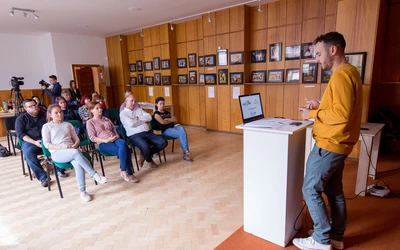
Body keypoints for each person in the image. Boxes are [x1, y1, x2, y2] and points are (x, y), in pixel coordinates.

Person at [292, 32, 363, 250]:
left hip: (329, 144)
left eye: (319, 54)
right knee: (334, 192)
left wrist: (311, 115)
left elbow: (341, 115)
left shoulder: (340, 75)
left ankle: (322, 240)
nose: (317, 59)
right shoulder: (351, 72)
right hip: (341, 144)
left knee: (310, 189)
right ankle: (335, 236)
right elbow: (341, 106)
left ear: (333, 50)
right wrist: (319, 104)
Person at [41, 104, 107, 202]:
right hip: (57, 152)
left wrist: (75, 144)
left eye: (60, 112)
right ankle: (94, 174)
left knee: (78, 163)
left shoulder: (68, 124)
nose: (59, 114)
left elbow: (76, 139)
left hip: (71, 150)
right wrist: (63, 147)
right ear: (50, 115)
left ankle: (83, 192)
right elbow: (47, 144)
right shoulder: (47, 126)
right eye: (56, 113)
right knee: (76, 153)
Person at [15, 99, 68, 188]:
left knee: (57, 146)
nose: (34, 107)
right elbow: (21, 135)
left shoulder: (44, 116)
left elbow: (53, 127)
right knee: (28, 153)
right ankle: (43, 177)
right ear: (25, 108)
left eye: (35, 105)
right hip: (31, 141)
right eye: (30, 106)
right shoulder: (21, 119)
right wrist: (35, 142)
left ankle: (59, 168)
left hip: (46, 140)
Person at [86, 101, 139, 183]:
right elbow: (92, 137)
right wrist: (106, 140)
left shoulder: (106, 119)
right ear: (91, 110)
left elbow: (114, 130)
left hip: (114, 139)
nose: (100, 109)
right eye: (97, 108)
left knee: (123, 144)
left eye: (100, 108)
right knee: (126, 150)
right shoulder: (90, 122)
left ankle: (123, 171)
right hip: (104, 143)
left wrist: (116, 135)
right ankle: (129, 173)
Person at [120, 94, 167, 169]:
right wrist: (142, 119)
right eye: (131, 101)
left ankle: (144, 154)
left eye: (135, 101)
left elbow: (149, 117)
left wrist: (137, 118)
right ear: (126, 101)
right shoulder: (123, 113)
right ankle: (149, 160)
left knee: (163, 142)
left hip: (147, 132)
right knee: (145, 147)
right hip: (135, 135)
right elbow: (131, 124)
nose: (133, 103)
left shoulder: (138, 110)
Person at [153, 97, 192, 162]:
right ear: (156, 104)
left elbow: (175, 119)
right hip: (166, 130)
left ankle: (185, 151)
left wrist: (167, 119)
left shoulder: (166, 111)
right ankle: (186, 153)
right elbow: (162, 122)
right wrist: (170, 120)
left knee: (181, 128)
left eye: (163, 103)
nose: (162, 105)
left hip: (174, 127)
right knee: (182, 133)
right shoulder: (156, 114)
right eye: (160, 104)